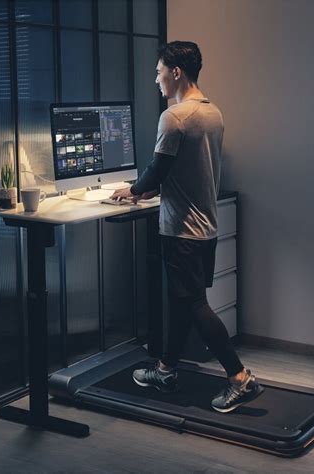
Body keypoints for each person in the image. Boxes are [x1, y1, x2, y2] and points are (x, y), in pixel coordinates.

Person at [110, 41, 262, 413]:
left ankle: (240, 378)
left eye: (159, 70)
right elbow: (182, 169)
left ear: (176, 72)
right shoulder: (213, 113)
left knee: (192, 302)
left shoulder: (174, 117)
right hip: (205, 225)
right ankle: (165, 369)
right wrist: (147, 189)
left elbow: (157, 170)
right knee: (181, 303)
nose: (156, 79)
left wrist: (131, 191)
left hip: (182, 229)